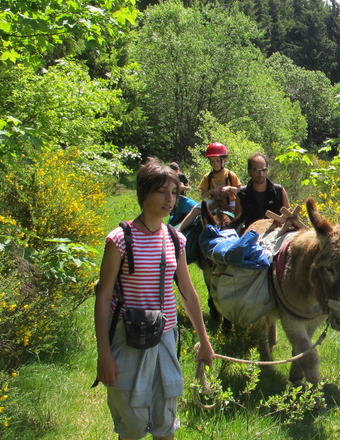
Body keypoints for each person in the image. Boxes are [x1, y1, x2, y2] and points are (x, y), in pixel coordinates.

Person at [95, 157, 214, 440]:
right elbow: (103, 297)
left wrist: (205, 341)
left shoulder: (176, 239)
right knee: (131, 422)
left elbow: (187, 292)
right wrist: (104, 353)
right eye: (162, 191)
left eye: (173, 192)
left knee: (165, 421)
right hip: (127, 338)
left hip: (165, 338)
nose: (170, 199)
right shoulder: (120, 238)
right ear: (143, 193)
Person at [229, 153, 292, 233]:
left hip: (276, 236)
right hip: (251, 237)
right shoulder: (242, 194)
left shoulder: (279, 191)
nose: (260, 174)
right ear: (249, 171)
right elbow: (238, 223)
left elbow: (289, 218)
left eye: (263, 170)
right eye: (256, 170)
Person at [197, 142, 241, 215]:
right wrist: (212, 191)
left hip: (231, 201)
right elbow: (203, 195)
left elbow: (240, 192)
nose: (215, 164)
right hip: (213, 201)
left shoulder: (230, 175)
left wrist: (229, 188)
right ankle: (182, 226)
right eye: (212, 161)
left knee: (241, 212)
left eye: (217, 161)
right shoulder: (207, 176)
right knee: (195, 209)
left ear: (224, 160)